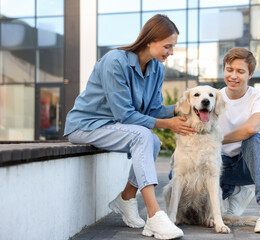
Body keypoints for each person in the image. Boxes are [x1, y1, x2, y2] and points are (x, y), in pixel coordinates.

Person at [64, 14, 195, 240]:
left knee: (152, 139)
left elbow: (151, 108)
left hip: (113, 127)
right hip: (86, 126)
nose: (171, 52)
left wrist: (178, 109)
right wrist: (168, 124)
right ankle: (154, 216)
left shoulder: (157, 69)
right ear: (149, 41)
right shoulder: (115, 61)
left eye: (173, 47)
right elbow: (124, 115)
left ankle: (126, 198)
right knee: (144, 136)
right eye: (168, 46)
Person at [218, 47, 260, 233]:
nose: (233, 76)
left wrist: (216, 140)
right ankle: (235, 191)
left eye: (240, 71)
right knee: (178, 175)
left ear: (250, 74)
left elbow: (251, 128)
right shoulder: (215, 97)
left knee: (251, 138)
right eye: (229, 69)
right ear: (224, 69)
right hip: (229, 164)